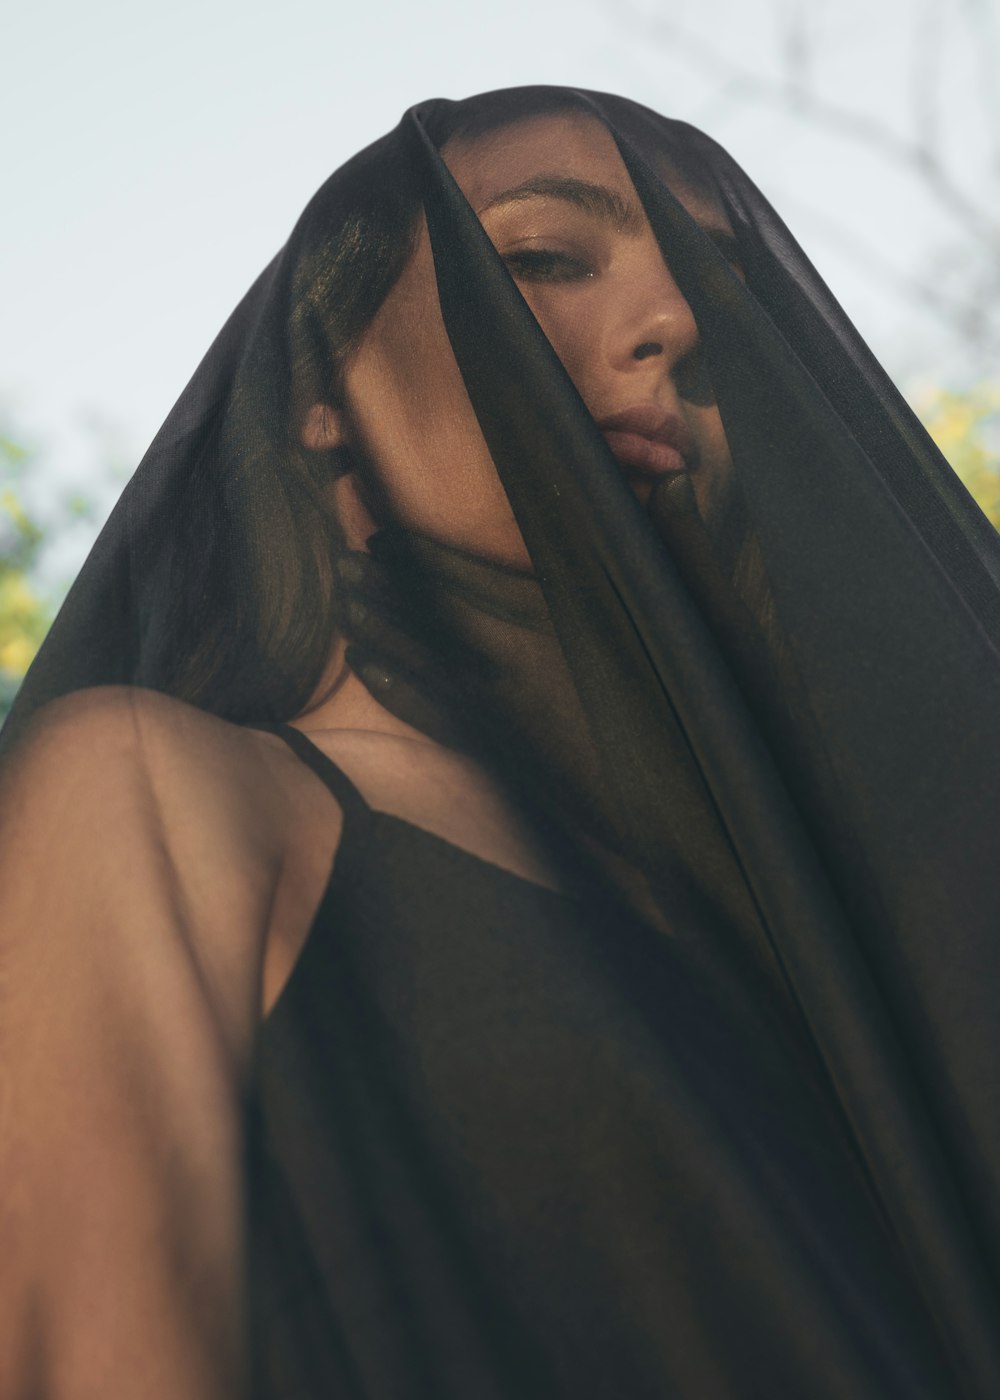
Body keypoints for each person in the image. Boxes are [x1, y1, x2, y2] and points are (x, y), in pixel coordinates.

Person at [2, 85, 999, 1398]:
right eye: (540, 258)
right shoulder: (168, 796)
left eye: (710, 289)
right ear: (320, 391)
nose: (678, 324)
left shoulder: (802, 913)